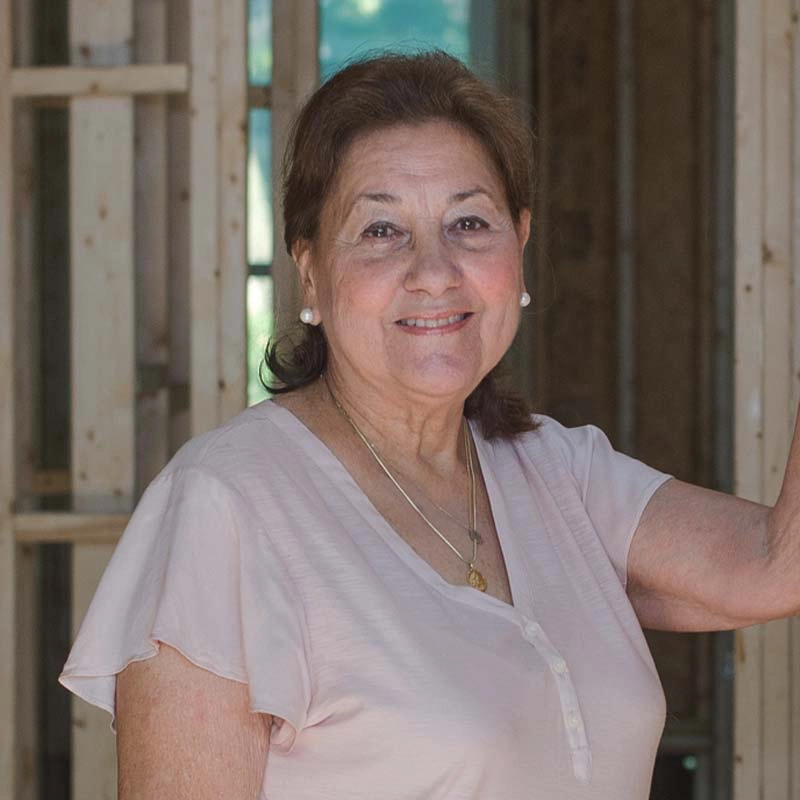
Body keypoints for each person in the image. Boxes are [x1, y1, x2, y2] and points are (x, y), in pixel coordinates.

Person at [60, 51, 799, 799]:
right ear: (310, 270)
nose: (434, 269)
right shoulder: (225, 505)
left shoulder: (557, 473)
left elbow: (780, 561)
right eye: (381, 230)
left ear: (521, 242)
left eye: (469, 222)